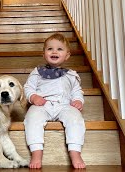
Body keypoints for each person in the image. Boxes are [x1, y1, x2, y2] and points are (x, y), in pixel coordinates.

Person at [24, 33, 86, 169]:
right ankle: (36, 152)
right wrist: (33, 97)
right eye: (50, 49)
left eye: (59, 49)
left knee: (75, 118)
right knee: (32, 118)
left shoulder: (71, 75)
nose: (54, 51)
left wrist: (77, 100)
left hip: (64, 105)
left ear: (67, 55)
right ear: (44, 53)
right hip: (42, 104)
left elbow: (77, 91)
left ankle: (75, 153)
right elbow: (28, 87)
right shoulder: (37, 72)